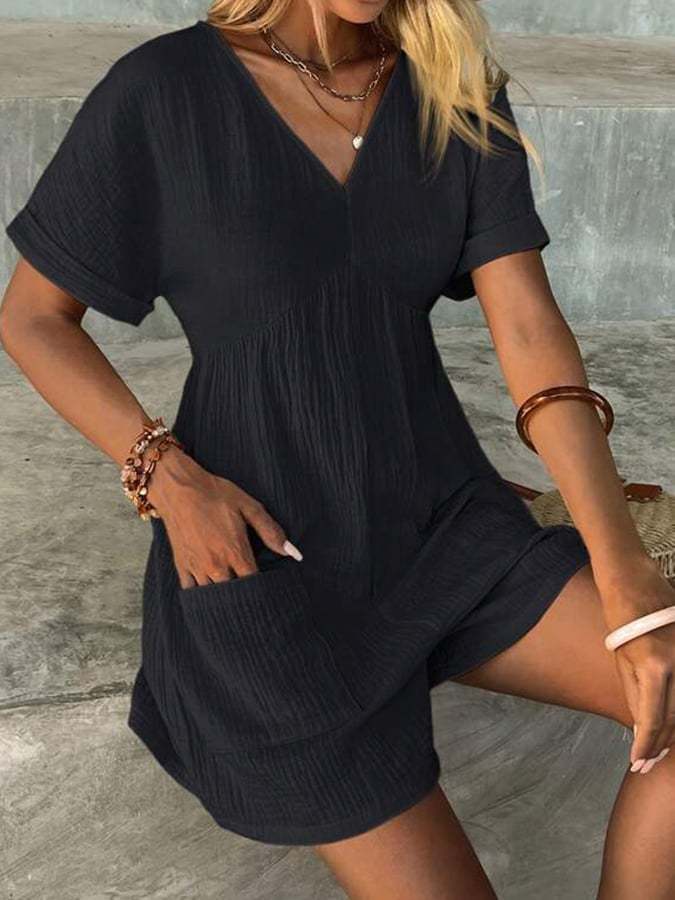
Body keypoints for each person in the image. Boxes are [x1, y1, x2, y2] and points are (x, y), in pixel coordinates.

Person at [1, 1, 674, 897]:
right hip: (270, 561)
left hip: (444, 527)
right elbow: (34, 318)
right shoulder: (164, 91)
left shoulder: (451, 91)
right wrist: (165, 475)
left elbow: (526, 330)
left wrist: (621, 568)